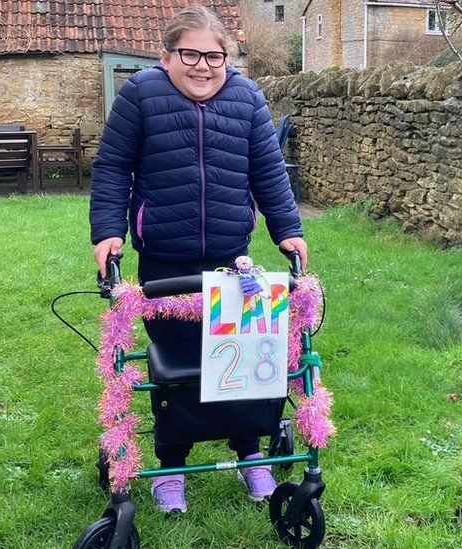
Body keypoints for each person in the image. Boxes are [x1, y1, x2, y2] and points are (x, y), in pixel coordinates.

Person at [89, 5, 308, 514]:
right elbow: (113, 169)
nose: (204, 66)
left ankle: (250, 453)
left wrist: (288, 232)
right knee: (179, 367)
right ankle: (170, 465)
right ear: (167, 56)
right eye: (191, 54)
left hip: (234, 260)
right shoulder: (139, 96)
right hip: (166, 260)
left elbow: (269, 174)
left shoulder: (247, 98)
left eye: (215, 56)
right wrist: (107, 234)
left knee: (246, 359)